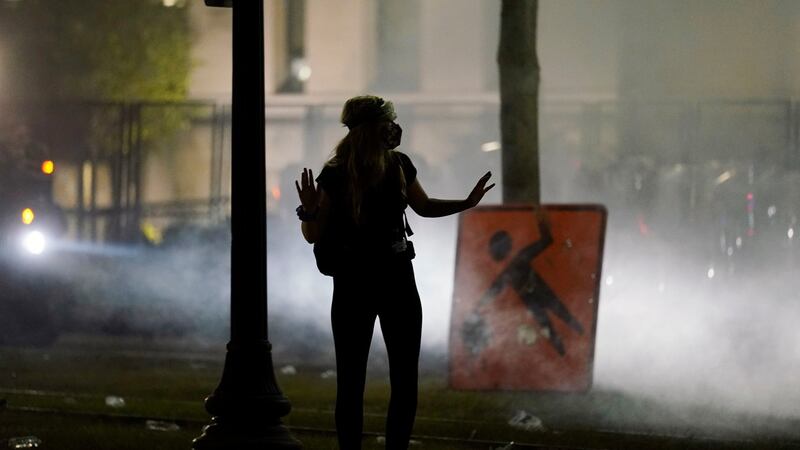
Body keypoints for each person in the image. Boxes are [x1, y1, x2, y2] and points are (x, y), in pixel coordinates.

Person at [295, 95, 494, 450]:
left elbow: (423, 205)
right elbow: (314, 235)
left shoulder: (398, 164)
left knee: (394, 380)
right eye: (389, 120)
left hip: (385, 280)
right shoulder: (337, 173)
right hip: (371, 281)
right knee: (360, 382)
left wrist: (466, 203)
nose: (394, 127)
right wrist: (309, 212)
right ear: (373, 127)